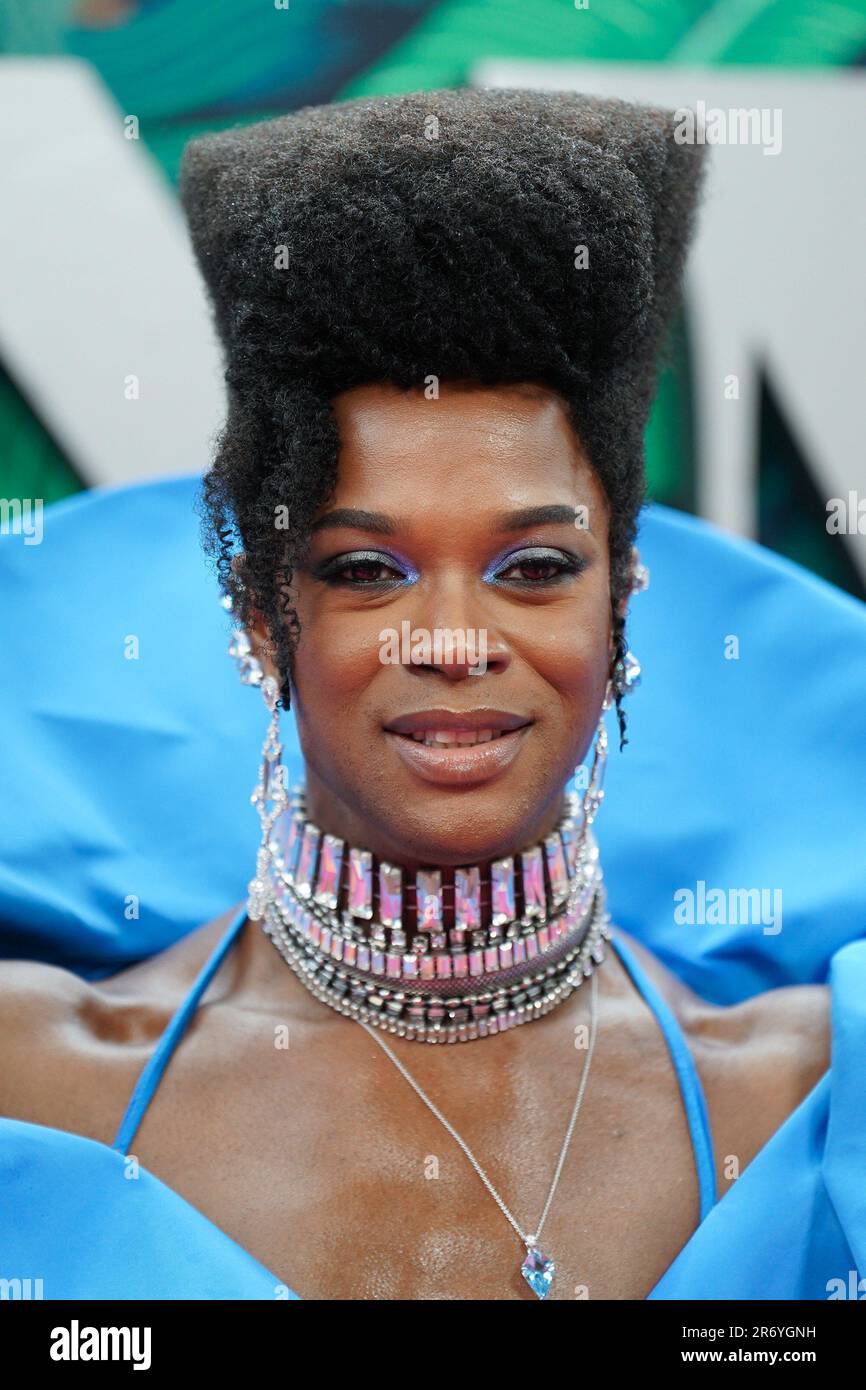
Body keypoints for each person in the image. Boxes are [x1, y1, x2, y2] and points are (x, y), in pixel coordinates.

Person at [0, 88, 860, 1302]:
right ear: (261, 615)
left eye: (533, 568)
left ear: (618, 603)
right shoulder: (40, 1085)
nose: (455, 641)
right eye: (365, 570)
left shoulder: (802, 1107)